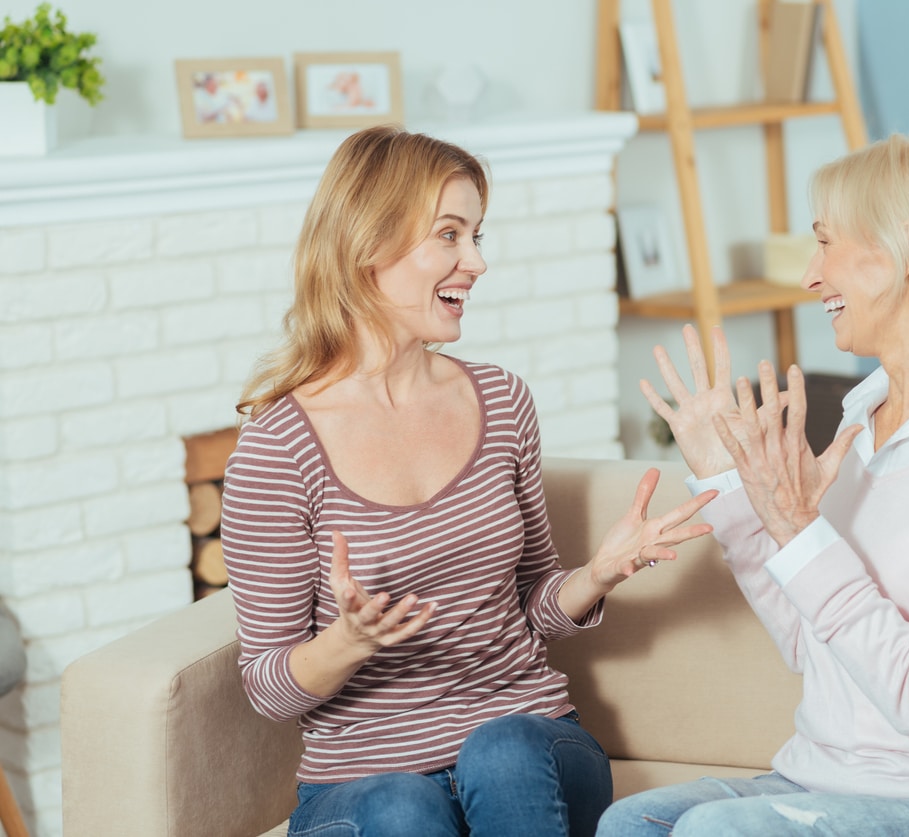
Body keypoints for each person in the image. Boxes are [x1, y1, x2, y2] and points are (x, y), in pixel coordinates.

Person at [220, 125, 718, 837]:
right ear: (367, 246)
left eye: (478, 235)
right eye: (450, 235)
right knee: (404, 806)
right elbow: (267, 686)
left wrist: (599, 573)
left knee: (503, 749)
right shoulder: (277, 446)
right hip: (362, 780)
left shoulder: (502, 400)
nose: (477, 262)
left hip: (533, 746)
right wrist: (350, 641)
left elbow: (532, 607)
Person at [598, 133, 909, 837]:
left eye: (825, 243)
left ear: (906, 247)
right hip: (826, 775)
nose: (810, 276)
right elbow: (809, 640)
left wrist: (799, 527)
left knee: (716, 832)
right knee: (631, 822)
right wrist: (731, 484)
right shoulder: (862, 417)